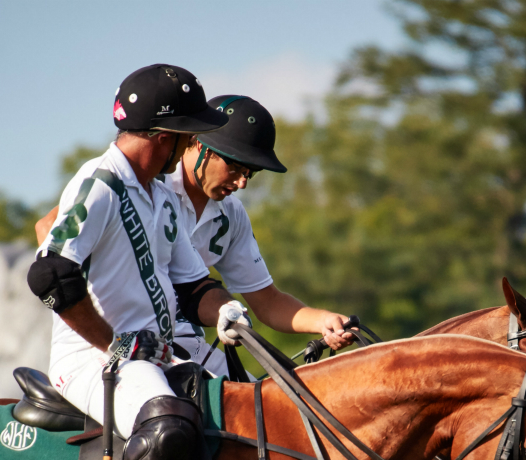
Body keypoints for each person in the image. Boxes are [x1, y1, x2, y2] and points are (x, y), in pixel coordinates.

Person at [26, 63, 237, 460]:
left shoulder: (161, 199)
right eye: (188, 134)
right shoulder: (100, 183)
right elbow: (50, 275)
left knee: (241, 410)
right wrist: (110, 343)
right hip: (92, 360)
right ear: (164, 137)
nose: (192, 145)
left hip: (155, 356)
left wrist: (229, 313)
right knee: (167, 425)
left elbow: (195, 288)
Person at [35, 94, 354, 377]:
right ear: (199, 143)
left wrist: (323, 320)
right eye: (235, 166)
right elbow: (48, 232)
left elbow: (267, 301)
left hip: (186, 346)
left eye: (250, 172)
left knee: (274, 416)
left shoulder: (232, 216)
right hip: (118, 343)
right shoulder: (145, 181)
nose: (242, 183)